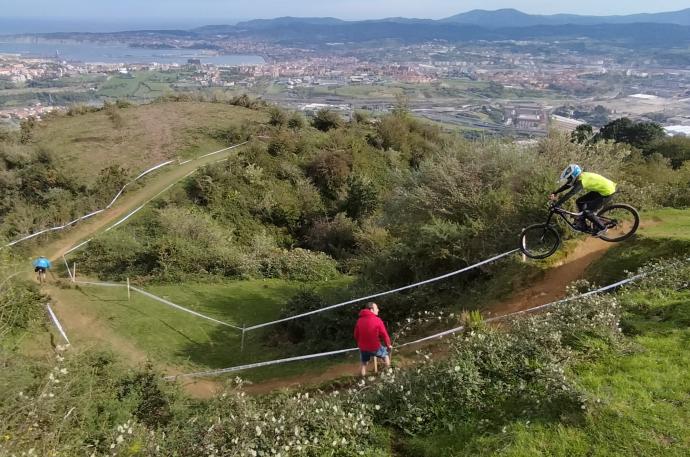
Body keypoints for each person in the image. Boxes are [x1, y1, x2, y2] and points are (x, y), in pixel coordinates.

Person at [549, 164, 616, 236]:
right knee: (579, 201)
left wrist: (558, 204)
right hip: (601, 190)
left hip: (608, 192)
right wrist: (555, 192)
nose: (569, 180)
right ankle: (583, 224)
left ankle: (603, 228)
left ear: (573, 176)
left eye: (569, 178)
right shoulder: (580, 177)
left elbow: (570, 194)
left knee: (588, 212)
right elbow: (567, 185)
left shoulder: (582, 180)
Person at [354, 302, 392, 376]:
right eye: (376, 308)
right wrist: (388, 345)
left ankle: (362, 380)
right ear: (371, 309)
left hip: (363, 348)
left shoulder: (359, 320)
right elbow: (384, 334)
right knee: (385, 356)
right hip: (375, 347)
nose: (378, 310)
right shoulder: (377, 319)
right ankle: (389, 374)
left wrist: (360, 344)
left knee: (363, 364)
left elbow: (356, 335)